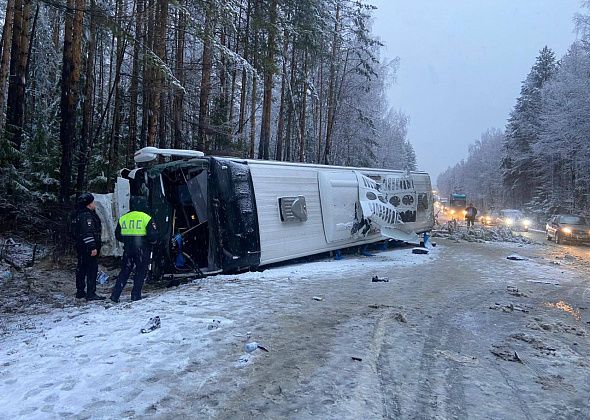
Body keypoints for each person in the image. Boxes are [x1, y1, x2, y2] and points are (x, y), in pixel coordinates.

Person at [110, 197, 157, 303]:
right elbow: (153, 236)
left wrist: (128, 241)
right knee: (140, 272)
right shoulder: (146, 218)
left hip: (128, 249)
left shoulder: (124, 218)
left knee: (124, 272)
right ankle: (136, 295)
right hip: (142, 249)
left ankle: (115, 295)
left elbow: (118, 235)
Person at [74, 193, 105, 301]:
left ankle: (80, 291)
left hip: (80, 246)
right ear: (88, 204)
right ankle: (90, 293)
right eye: (92, 202)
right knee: (91, 269)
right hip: (87, 247)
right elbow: (87, 232)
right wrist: (92, 247)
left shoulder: (78, 214)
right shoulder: (87, 216)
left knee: (81, 269)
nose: (94, 204)